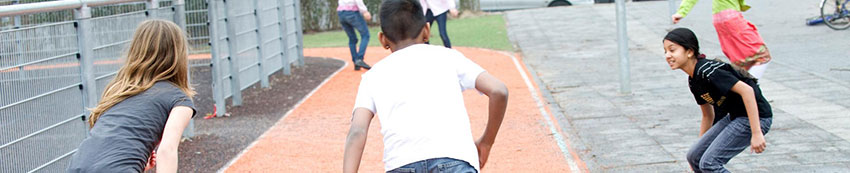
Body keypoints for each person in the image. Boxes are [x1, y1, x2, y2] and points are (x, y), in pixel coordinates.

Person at [342, 0, 508, 172]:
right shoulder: (448, 57)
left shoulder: (372, 76)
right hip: (455, 161)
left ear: (383, 39)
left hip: (401, 164)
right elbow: (499, 91)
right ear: (426, 31)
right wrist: (486, 142)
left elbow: (357, 132)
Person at [67, 19, 196, 173]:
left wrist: (137, 163)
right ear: (179, 55)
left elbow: (107, 141)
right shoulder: (179, 100)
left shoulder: (120, 90)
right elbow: (167, 150)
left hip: (77, 166)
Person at [663, 28, 772, 172]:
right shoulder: (693, 79)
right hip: (734, 116)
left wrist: (756, 133)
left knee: (710, 163)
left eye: (672, 50)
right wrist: (700, 147)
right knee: (694, 157)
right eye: (665, 51)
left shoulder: (709, 72)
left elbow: (747, 91)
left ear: (689, 52)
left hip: (755, 117)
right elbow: (708, 115)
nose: (667, 56)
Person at [672, 0, 771, 79]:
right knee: (762, 56)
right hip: (731, 18)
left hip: (722, 19)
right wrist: (682, 12)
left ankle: (744, 92)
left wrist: (682, 12)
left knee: (742, 62)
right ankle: (750, 88)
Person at [338, 0, 374, 70]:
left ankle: (356, 62)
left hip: (341, 13)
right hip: (352, 13)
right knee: (365, 35)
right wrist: (365, 11)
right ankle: (359, 59)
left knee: (352, 39)